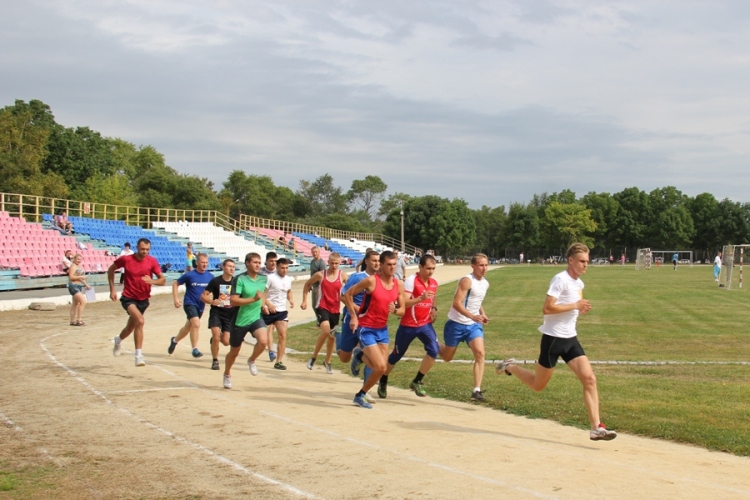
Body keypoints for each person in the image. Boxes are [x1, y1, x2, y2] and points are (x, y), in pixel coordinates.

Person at [496, 243, 617, 442]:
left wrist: (580, 308)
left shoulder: (579, 284)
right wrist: (575, 305)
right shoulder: (560, 279)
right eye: (582, 261)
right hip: (553, 339)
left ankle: (596, 428)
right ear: (571, 260)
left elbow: (570, 308)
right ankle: (510, 366)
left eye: (587, 261)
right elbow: (547, 308)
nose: (586, 265)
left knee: (589, 379)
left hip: (571, 339)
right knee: (537, 385)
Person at [345, 250, 405, 409]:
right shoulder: (371, 281)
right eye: (389, 265)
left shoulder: (398, 284)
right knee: (380, 366)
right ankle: (360, 395)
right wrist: (353, 316)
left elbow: (402, 310)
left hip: (382, 329)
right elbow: (348, 295)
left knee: (382, 368)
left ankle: (360, 393)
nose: (392, 268)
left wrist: (395, 310)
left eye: (395, 264)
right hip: (367, 328)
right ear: (382, 265)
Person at [377, 254, 439, 399]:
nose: (431, 271)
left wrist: (434, 309)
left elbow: (433, 295)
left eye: (433, 268)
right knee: (396, 355)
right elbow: (402, 302)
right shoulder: (412, 281)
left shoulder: (434, 282)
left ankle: (417, 381)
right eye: (428, 268)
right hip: (408, 325)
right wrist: (420, 299)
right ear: (420, 267)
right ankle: (383, 379)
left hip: (425, 324)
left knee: (434, 350)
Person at [108, 238, 166, 367]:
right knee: (140, 321)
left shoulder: (152, 261)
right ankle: (138, 356)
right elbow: (111, 270)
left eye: (147, 249)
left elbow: (163, 280)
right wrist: (112, 289)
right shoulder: (126, 259)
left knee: (131, 327)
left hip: (143, 299)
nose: (145, 252)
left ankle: (118, 340)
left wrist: (153, 281)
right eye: (142, 249)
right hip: (129, 297)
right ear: (137, 247)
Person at [441, 253, 491, 402]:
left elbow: (477, 300)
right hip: (456, 324)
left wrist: (482, 314)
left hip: (473, 326)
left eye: (486, 265)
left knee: (480, 353)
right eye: (481, 265)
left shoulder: (485, 283)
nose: (484, 268)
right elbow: (456, 303)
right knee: (447, 357)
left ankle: (476, 390)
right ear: (473, 266)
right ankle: (432, 343)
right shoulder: (466, 281)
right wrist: (472, 316)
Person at [223, 253, 269, 389]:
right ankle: (227, 373)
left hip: (256, 317)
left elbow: (263, 293)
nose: (258, 265)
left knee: (263, 341)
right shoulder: (240, 279)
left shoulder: (263, 278)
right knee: (234, 352)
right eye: (255, 262)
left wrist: (263, 305)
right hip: (240, 319)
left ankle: (252, 360)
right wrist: (253, 300)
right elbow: (233, 300)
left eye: (259, 262)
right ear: (247, 263)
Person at [302, 252, 348, 374]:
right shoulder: (320, 275)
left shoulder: (343, 276)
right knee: (326, 331)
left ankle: (327, 361)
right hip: (322, 306)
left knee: (332, 337)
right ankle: (313, 358)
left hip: (335, 309)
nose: (334, 266)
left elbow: (353, 287)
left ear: (339, 263)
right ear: (328, 262)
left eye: (336, 263)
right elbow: (307, 284)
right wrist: (304, 300)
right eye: (332, 263)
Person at [336, 250, 380, 364]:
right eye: (374, 261)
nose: (377, 263)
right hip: (352, 318)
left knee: (373, 353)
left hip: (369, 321)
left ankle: (367, 373)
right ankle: (338, 334)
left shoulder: (380, 279)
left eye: (379, 261)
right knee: (344, 358)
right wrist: (359, 309)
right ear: (366, 261)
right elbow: (342, 296)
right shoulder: (357, 277)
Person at [168, 253, 214, 359]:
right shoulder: (190, 275)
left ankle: (174, 340)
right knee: (196, 324)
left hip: (201, 305)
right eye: (202, 262)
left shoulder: (210, 277)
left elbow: (215, 289)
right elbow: (175, 284)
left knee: (188, 327)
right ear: (197, 262)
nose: (205, 264)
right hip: (190, 303)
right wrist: (175, 299)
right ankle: (195, 349)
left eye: (206, 262)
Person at [201, 259, 235, 371]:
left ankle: (215, 340)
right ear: (223, 267)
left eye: (233, 267)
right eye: (229, 266)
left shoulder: (236, 282)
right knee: (216, 336)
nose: (231, 269)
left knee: (226, 341)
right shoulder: (215, 281)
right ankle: (215, 360)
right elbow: (203, 296)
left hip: (230, 314)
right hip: (217, 312)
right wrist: (211, 301)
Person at [262, 257, 294, 370]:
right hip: (268, 311)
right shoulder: (270, 278)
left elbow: (289, 291)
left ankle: (278, 361)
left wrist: (291, 300)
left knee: (283, 335)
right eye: (282, 268)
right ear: (277, 267)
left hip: (281, 312)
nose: (285, 270)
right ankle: (253, 357)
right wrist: (267, 305)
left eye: (286, 268)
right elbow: (262, 294)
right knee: (262, 338)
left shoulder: (288, 279)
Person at [259, 252, 279, 361]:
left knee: (270, 329)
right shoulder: (260, 272)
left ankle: (271, 351)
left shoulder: (278, 273)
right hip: (259, 302)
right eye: (271, 261)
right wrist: (266, 303)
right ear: (266, 261)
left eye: (275, 261)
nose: (273, 263)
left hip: (273, 305)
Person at [67, 253, 91, 326]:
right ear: (74, 259)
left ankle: (72, 320)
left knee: (75, 304)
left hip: (78, 285)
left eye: (80, 259)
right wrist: (81, 277)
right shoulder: (73, 266)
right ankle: (79, 320)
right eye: (78, 259)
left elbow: (79, 277)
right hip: (73, 286)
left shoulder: (78, 267)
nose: (79, 261)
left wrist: (86, 284)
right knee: (83, 302)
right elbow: (71, 277)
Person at [308, 245, 327, 326]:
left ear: (319, 252)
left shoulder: (322, 263)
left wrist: (321, 287)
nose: (314, 253)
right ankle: (319, 319)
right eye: (313, 252)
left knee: (318, 305)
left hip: (320, 286)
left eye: (316, 252)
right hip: (314, 286)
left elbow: (323, 276)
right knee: (314, 305)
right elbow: (311, 274)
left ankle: (321, 321)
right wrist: (310, 284)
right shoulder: (312, 262)